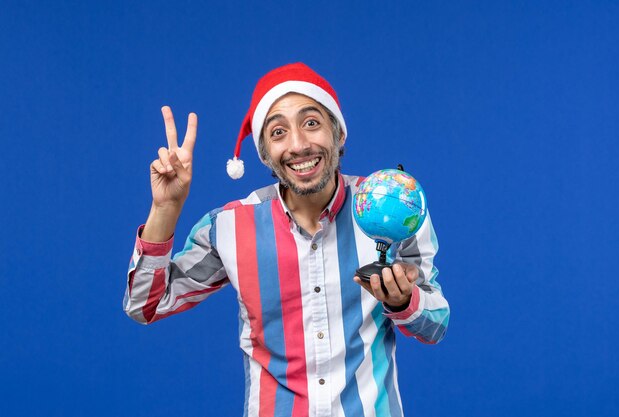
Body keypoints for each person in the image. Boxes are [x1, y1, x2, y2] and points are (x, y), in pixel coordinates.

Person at [124, 63, 449, 417]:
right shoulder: (230, 225)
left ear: (338, 134)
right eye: (278, 132)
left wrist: (404, 301)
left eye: (312, 123)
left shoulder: (393, 207)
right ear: (265, 152)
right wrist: (166, 208)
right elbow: (145, 305)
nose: (298, 145)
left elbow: (436, 324)